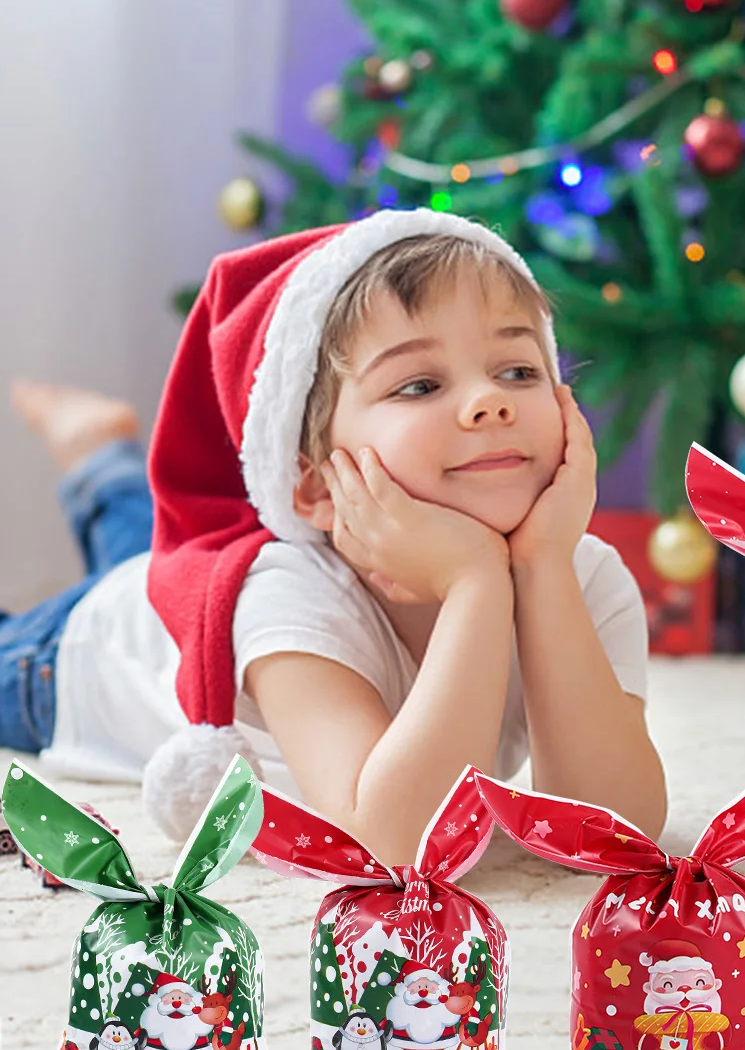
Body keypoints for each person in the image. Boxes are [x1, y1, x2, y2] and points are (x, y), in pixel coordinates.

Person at [1, 210, 665, 862]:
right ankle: (101, 464)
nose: (489, 402)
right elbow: (394, 843)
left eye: (518, 371)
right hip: (77, 655)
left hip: (179, 594)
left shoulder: (579, 572)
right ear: (316, 487)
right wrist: (475, 583)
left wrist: (541, 568)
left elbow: (612, 829)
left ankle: (98, 457)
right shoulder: (289, 595)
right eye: (420, 384)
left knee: (144, 544)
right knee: (136, 569)